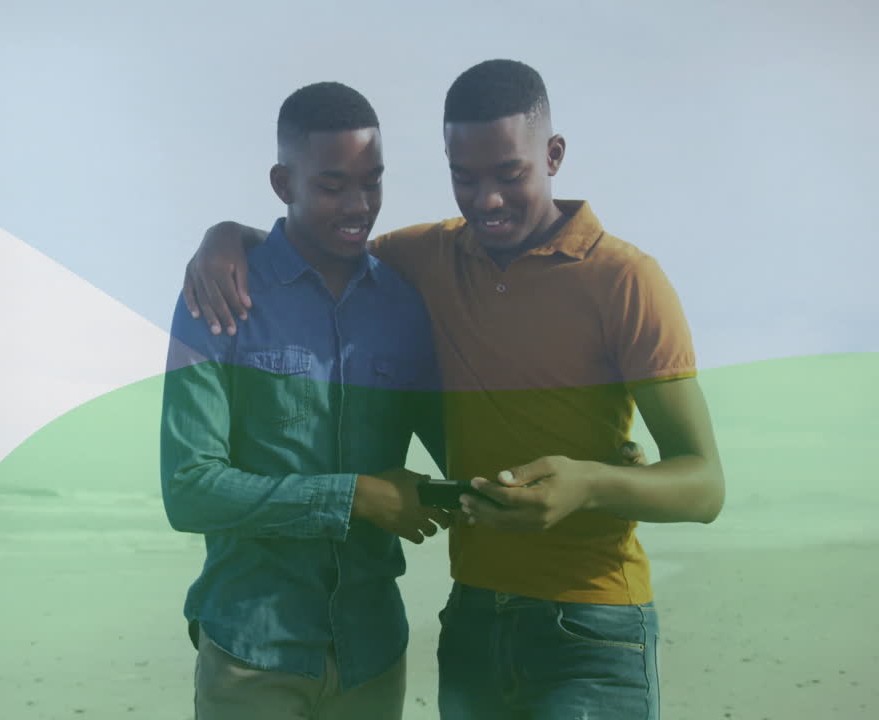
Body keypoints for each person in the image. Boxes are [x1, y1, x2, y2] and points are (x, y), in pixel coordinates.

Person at [179, 59, 724, 720]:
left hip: (593, 622)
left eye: (509, 174)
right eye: (464, 178)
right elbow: (310, 246)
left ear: (553, 155)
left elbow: (704, 485)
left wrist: (589, 482)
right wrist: (223, 239)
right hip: (467, 625)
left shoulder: (625, 280)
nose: (486, 200)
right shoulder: (422, 262)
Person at [160, 81, 451, 720]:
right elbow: (188, 487)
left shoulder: (404, 308)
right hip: (250, 652)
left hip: (373, 654)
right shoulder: (218, 296)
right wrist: (356, 496)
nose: (359, 205)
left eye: (372, 182)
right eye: (331, 185)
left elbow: (461, 447)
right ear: (282, 182)